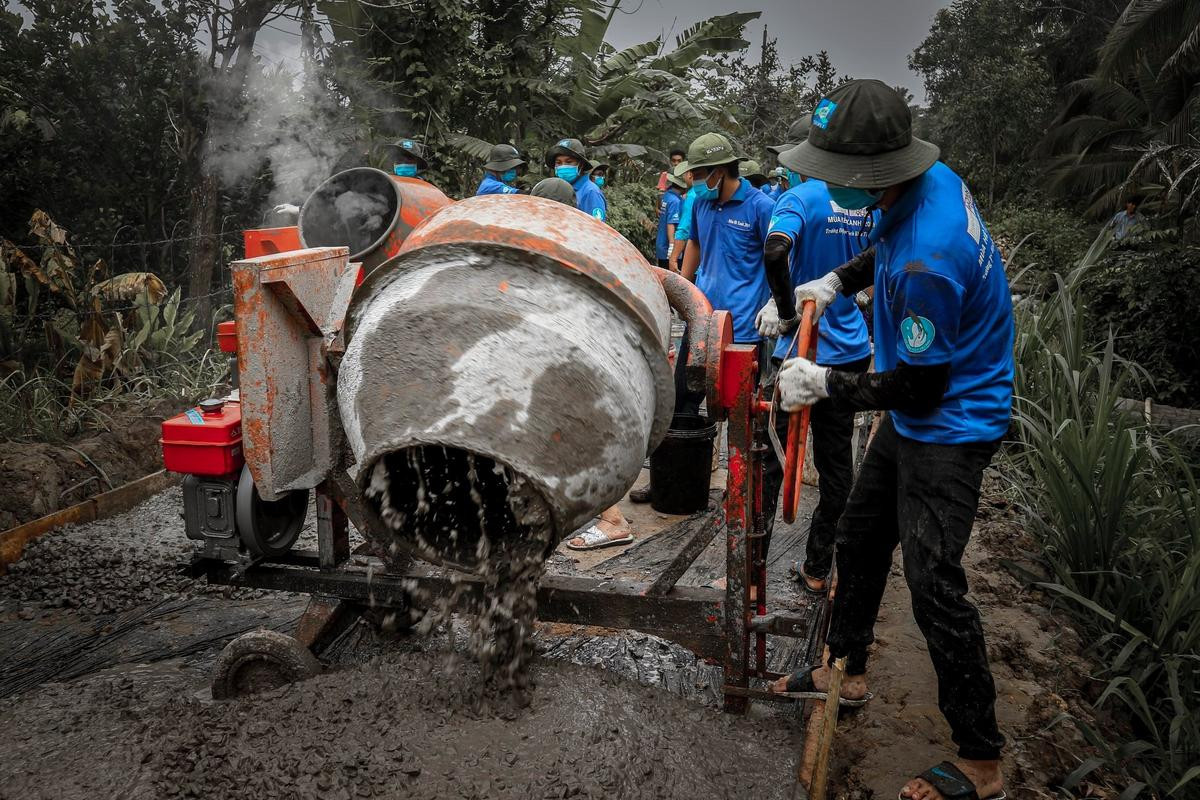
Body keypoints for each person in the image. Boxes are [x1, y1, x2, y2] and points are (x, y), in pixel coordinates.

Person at [769, 79, 1012, 800]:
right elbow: (884, 240)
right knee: (860, 534)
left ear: (874, 173)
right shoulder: (928, 180)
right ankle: (845, 666)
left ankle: (981, 760)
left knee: (935, 582)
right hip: (919, 409)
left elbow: (921, 387)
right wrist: (834, 283)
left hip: (955, 422)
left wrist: (825, 386)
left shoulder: (926, 265)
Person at [752, 115, 874, 593]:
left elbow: (776, 252)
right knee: (836, 466)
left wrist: (785, 310)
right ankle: (819, 568)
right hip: (849, 353)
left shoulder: (800, 198)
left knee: (773, 456)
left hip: (798, 351)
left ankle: (752, 569)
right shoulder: (866, 204)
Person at [530, 175, 635, 549]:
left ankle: (614, 521)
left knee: (583, 432)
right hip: (579, 350)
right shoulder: (581, 238)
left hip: (578, 355)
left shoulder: (562, 242)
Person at [545, 138, 607, 222]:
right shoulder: (556, 189)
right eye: (559, 163)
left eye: (569, 162)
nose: (563, 166)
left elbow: (597, 229)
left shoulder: (591, 192)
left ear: (580, 165)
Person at [655, 168, 687, 269]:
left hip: (661, 245)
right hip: (669, 248)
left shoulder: (667, 195)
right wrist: (672, 246)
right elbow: (671, 224)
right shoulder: (675, 201)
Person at [667, 161, 696, 273]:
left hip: (693, 258)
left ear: (689, 174)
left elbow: (684, 229)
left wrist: (673, 258)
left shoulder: (692, 196)